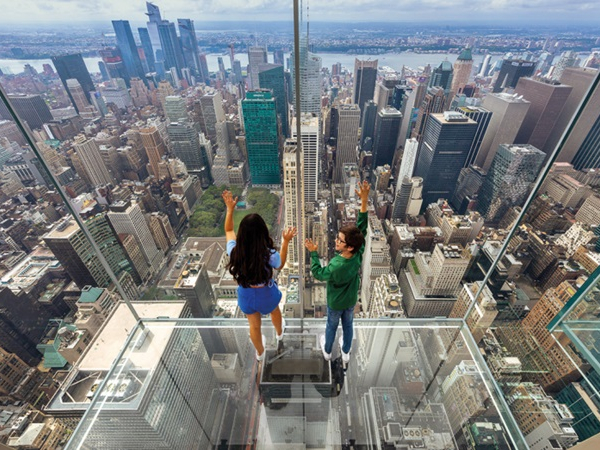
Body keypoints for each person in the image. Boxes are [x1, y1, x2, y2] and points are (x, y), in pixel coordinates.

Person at [222, 190, 297, 361]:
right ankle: (279, 335)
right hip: (266, 294)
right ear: (263, 233)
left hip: (246, 295)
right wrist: (285, 242)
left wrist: (230, 209)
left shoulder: (235, 251)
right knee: (275, 312)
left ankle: (260, 353)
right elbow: (280, 264)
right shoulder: (267, 254)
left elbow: (228, 230)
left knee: (254, 327)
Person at [304, 180, 369, 363]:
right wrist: (363, 202)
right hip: (350, 300)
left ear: (348, 247)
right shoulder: (358, 253)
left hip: (335, 302)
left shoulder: (336, 265)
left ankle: (327, 350)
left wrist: (314, 253)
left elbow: (318, 273)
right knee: (348, 325)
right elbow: (362, 228)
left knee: (331, 326)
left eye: (340, 241)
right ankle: (346, 351)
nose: (336, 242)